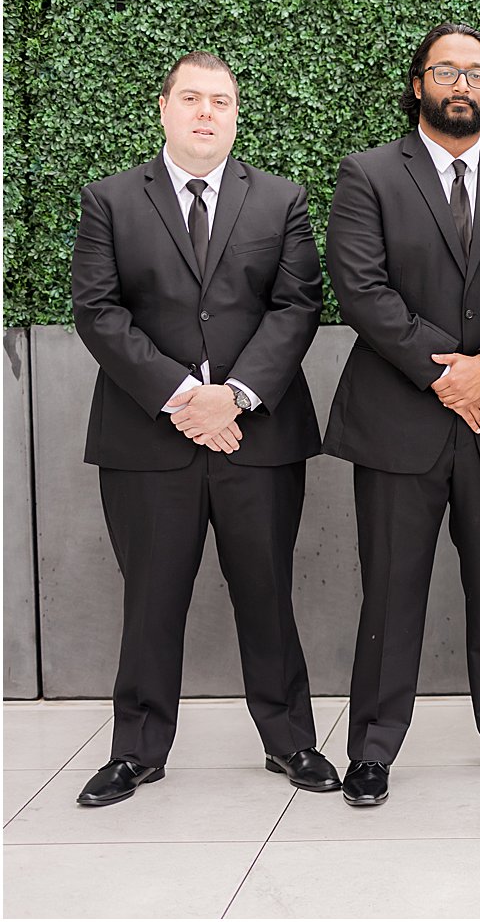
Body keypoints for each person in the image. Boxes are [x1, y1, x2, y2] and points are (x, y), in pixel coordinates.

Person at [71, 51, 335, 805]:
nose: (206, 112)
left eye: (221, 100)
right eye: (192, 98)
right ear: (163, 108)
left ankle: (291, 741)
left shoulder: (279, 200)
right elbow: (98, 309)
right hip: (147, 437)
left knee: (266, 592)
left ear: (236, 113)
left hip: (259, 437)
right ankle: (137, 752)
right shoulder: (111, 200)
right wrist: (188, 396)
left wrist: (237, 396)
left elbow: (297, 304)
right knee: (151, 597)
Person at [323, 23, 480, 807]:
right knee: (392, 590)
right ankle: (373, 747)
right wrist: (447, 373)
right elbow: (361, 288)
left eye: (478, 74)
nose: (463, 85)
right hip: (399, 420)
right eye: (447, 71)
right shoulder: (367, 175)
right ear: (418, 82)